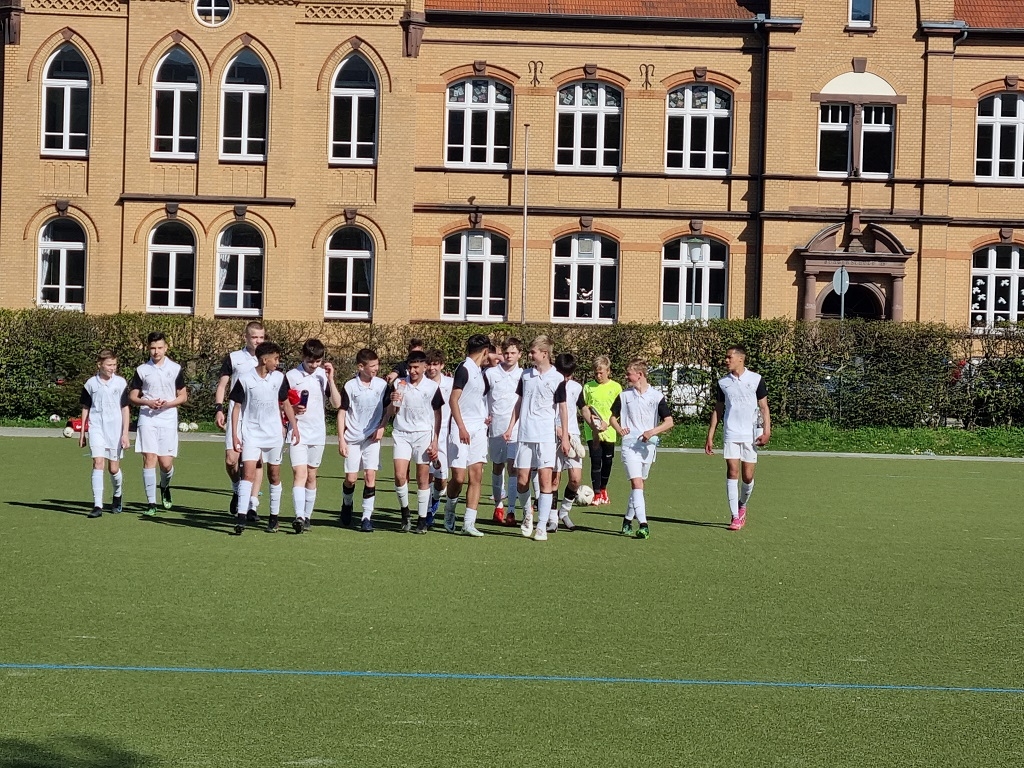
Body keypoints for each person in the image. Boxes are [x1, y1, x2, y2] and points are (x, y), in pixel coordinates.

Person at [504, 335, 571, 542]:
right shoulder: (526, 376)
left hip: (546, 436)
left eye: (533, 352)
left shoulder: (557, 378)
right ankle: (527, 514)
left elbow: (563, 409)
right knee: (522, 480)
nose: (530, 355)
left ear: (544, 353)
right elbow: (519, 403)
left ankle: (541, 526)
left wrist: (565, 436)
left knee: (545, 480)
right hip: (525, 435)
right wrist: (510, 427)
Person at [230, 342, 300, 535]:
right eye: (275, 359)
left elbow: (286, 404)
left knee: (274, 475)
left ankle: (273, 518)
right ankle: (241, 518)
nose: (277, 362)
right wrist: (235, 434)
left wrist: (294, 428)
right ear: (264, 359)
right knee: (248, 474)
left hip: (274, 434)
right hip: (251, 434)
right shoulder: (245, 379)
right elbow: (236, 407)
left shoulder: (279, 378)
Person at [705, 345, 771, 531]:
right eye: (726, 357)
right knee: (732, 471)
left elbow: (764, 407)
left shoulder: (756, 379)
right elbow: (718, 409)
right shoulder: (723, 382)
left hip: (751, 434)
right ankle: (735, 516)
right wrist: (710, 435)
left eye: (729, 357)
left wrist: (767, 431)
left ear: (741, 359)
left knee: (747, 476)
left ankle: (742, 504)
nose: (726, 360)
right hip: (731, 433)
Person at [609, 359, 673, 540]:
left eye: (629, 374)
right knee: (637, 484)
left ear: (640, 375)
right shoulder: (624, 396)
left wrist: (652, 432)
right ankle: (643, 525)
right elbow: (612, 417)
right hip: (629, 446)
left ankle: (627, 520)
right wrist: (619, 429)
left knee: (639, 486)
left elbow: (669, 421)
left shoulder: (656, 396)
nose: (626, 377)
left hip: (648, 447)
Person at [384, 350, 444, 533]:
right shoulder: (399, 384)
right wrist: (393, 402)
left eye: (416, 367)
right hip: (401, 433)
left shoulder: (431, 387)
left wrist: (435, 440)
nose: (413, 371)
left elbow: (438, 415)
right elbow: (392, 411)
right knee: (400, 475)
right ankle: (405, 513)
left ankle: (422, 519)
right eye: (410, 367)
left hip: (423, 434)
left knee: (422, 478)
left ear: (424, 367)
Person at [285, 338, 341, 534]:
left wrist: (331, 379)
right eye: (310, 361)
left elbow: (336, 403)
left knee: (311, 475)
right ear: (303, 357)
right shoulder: (291, 376)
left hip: (317, 432)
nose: (314, 365)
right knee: (299, 474)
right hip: (297, 432)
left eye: (318, 361)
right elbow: (280, 404)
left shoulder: (322, 376)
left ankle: (307, 516)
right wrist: (292, 409)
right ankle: (299, 516)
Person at [129, 332, 187, 517]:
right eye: (153, 348)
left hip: (168, 418)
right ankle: (151, 503)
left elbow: (183, 396)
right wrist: (147, 402)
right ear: (148, 348)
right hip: (148, 418)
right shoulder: (142, 370)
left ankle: (165, 486)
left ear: (166, 348)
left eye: (160, 348)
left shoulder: (175, 368)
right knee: (149, 458)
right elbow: (133, 396)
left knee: (166, 464)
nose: (156, 351)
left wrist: (168, 404)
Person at [213, 321, 265, 520]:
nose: (258, 341)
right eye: (254, 337)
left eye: (261, 337)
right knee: (231, 460)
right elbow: (222, 385)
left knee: (256, 462)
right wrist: (219, 409)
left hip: (259, 418)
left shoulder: (268, 358)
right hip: (237, 415)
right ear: (246, 337)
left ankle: (252, 505)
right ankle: (237, 488)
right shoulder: (234, 358)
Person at [444, 333, 492, 537]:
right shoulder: (464, 369)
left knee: (477, 475)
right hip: (460, 428)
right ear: (485, 351)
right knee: (459, 477)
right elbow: (453, 400)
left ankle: (469, 523)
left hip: (479, 429)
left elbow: (477, 400)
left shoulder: (481, 372)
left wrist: (484, 417)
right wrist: (462, 427)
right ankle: (449, 510)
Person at [337, 348, 388, 532]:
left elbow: (389, 408)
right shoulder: (350, 386)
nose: (376, 368)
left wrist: (382, 426)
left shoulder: (382, 385)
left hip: (372, 438)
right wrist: (341, 439)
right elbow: (342, 413)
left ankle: (366, 517)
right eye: (372, 365)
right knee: (351, 479)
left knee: (370, 475)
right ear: (361, 367)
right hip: (352, 438)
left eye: (377, 364)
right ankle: (347, 503)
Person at [79, 349, 130, 518]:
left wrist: (125, 434)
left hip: (115, 429)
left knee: (113, 469)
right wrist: (82, 433)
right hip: (96, 428)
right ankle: (97, 505)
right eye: (109, 365)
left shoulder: (120, 383)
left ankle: (117, 495)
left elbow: (125, 409)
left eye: (114, 365)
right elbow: (86, 408)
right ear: (99, 365)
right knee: (98, 463)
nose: (112, 368)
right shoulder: (90, 384)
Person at [485, 337, 524, 525]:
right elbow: (482, 396)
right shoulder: (491, 373)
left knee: (513, 467)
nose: (509, 356)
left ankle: (511, 511)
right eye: (506, 353)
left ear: (519, 355)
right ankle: (498, 506)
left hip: (516, 428)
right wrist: (484, 415)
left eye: (513, 353)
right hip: (496, 427)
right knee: (497, 466)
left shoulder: (524, 375)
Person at [551, 352, 585, 532]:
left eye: (568, 375)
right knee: (554, 479)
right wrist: (555, 429)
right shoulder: (549, 384)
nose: (565, 378)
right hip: (551, 435)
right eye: (563, 374)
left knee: (575, 479)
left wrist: (596, 425)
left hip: (573, 435)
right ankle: (552, 518)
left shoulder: (577, 388)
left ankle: (563, 512)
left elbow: (583, 408)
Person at [582, 355, 622, 506]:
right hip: (593, 432)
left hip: (609, 431)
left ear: (608, 371)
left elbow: (619, 410)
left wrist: (608, 423)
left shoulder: (616, 387)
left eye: (601, 372)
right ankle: (597, 493)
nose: (598, 376)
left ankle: (604, 489)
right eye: (596, 373)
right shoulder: (588, 387)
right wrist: (593, 422)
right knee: (595, 461)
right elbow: (583, 408)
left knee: (608, 461)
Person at [424, 349, 453, 525]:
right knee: (426, 475)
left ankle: (435, 500)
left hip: (444, 435)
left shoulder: (450, 383)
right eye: (429, 364)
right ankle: (427, 512)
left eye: (435, 364)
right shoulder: (421, 383)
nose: (431, 368)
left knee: (441, 479)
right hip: (424, 434)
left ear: (442, 365)